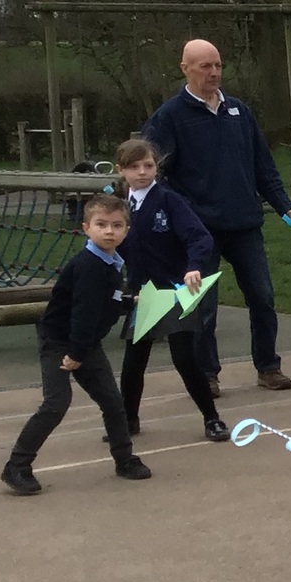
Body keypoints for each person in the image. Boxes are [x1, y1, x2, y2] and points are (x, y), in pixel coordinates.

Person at [141, 39, 291, 395]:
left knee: (262, 297)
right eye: (205, 66)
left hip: (245, 225)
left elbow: (263, 166)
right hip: (199, 232)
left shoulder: (239, 111)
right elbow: (151, 172)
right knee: (204, 307)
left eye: (218, 65)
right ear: (185, 69)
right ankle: (206, 375)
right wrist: (177, 216)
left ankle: (268, 367)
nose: (213, 73)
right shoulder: (169, 117)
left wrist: (285, 206)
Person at [0, 194, 152, 494]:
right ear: (86, 228)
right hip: (61, 341)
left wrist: (128, 301)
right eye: (101, 225)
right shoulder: (90, 265)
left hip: (85, 342)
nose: (109, 231)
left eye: (116, 225)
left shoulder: (110, 262)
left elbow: (105, 301)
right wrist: (76, 354)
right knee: (56, 403)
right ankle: (16, 466)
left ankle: (125, 459)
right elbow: (83, 313)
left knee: (112, 402)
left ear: (126, 230)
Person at [112, 138, 228, 443]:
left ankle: (212, 418)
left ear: (156, 167)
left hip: (175, 292)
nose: (142, 172)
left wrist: (194, 266)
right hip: (143, 294)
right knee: (134, 361)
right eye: (134, 166)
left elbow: (199, 237)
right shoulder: (120, 207)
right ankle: (128, 420)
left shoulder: (169, 200)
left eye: (148, 165)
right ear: (121, 170)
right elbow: (111, 244)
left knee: (185, 358)